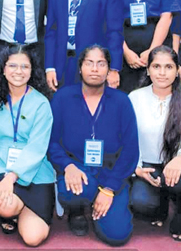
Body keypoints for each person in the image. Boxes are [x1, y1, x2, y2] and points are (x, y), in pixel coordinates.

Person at [48, 45, 139, 246]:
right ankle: (78, 210)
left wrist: (109, 189)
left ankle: (106, 206)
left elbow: (131, 151)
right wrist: (67, 166)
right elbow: (52, 142)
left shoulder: (122, 101)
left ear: (109, 70)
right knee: (70, 191)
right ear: (80, 68)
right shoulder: (63, 98)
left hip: (111, 174)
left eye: (101, 64)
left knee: (117, 236)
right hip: (78, 172)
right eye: (89, 63)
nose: (95, 69)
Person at [129, 46, 181, 241]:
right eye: (156, 66)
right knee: (141, 204)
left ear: (177, 70)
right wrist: (137, 169)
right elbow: (128, 140)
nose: (162, 73)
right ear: (148, 70)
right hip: (148, 165)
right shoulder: (135, 97)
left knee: (180, 181)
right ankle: (160, 203)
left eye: (168, 67)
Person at [0, 44, 55, 246]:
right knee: (5, 206)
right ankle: (13, 213)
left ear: (32, 70)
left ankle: (22, 210)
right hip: (2, 166)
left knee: (33, 239)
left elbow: (37, 147)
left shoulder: (41, 103)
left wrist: (12, 177)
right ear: (3, 69)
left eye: (25, 67)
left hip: (36, 172)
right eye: (13, 66)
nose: (19, 71)